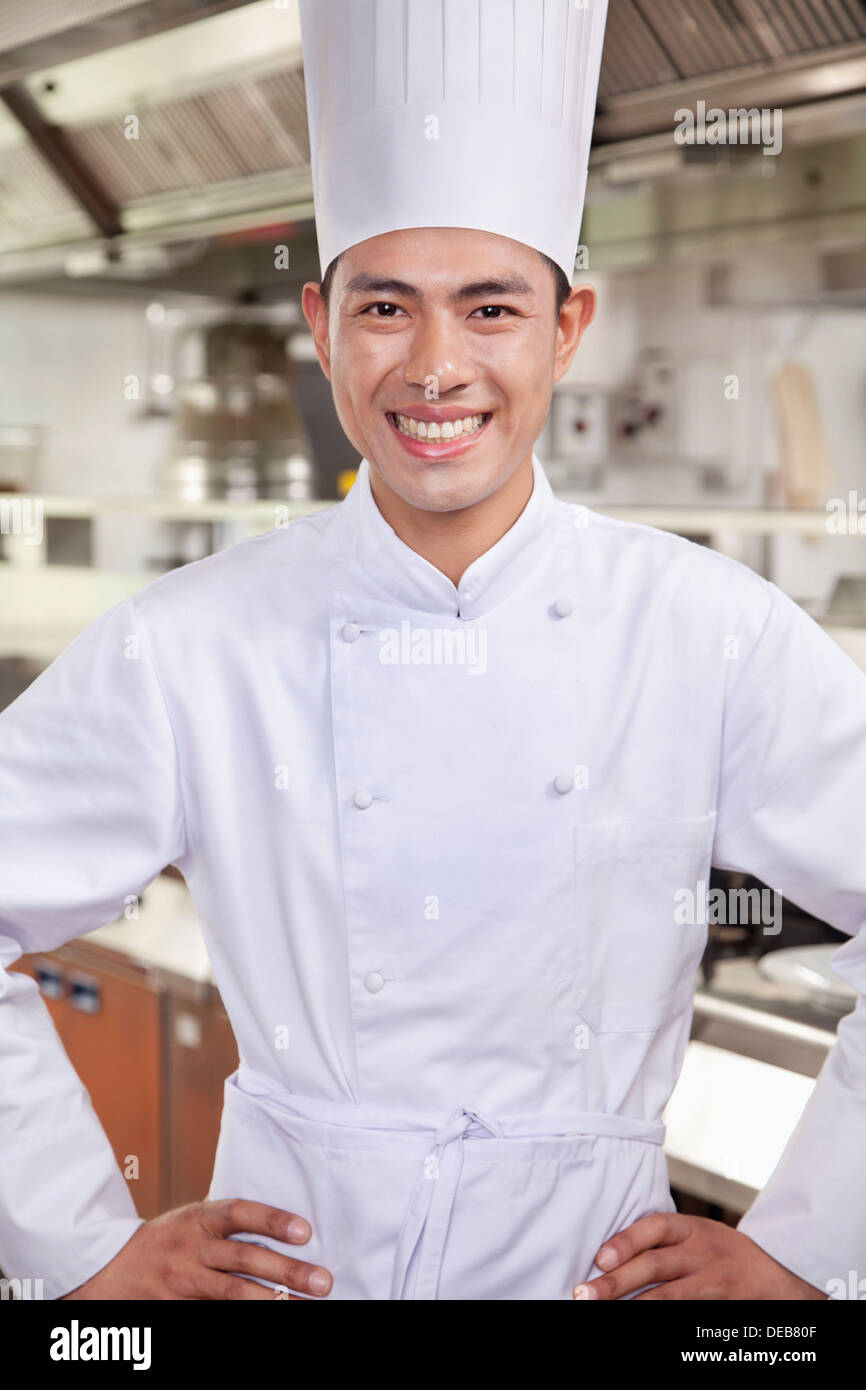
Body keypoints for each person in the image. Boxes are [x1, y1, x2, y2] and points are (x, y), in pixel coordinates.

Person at [0, 0, 863, 1301]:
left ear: (568, 328)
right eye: (388, 306)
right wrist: (79, 1250)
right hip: (295, 1278)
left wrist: (807, 1246)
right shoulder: (191, 644)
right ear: (322, 324)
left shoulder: (707, 630)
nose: (437, 366)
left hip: (595, 1280)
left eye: (492, 308)